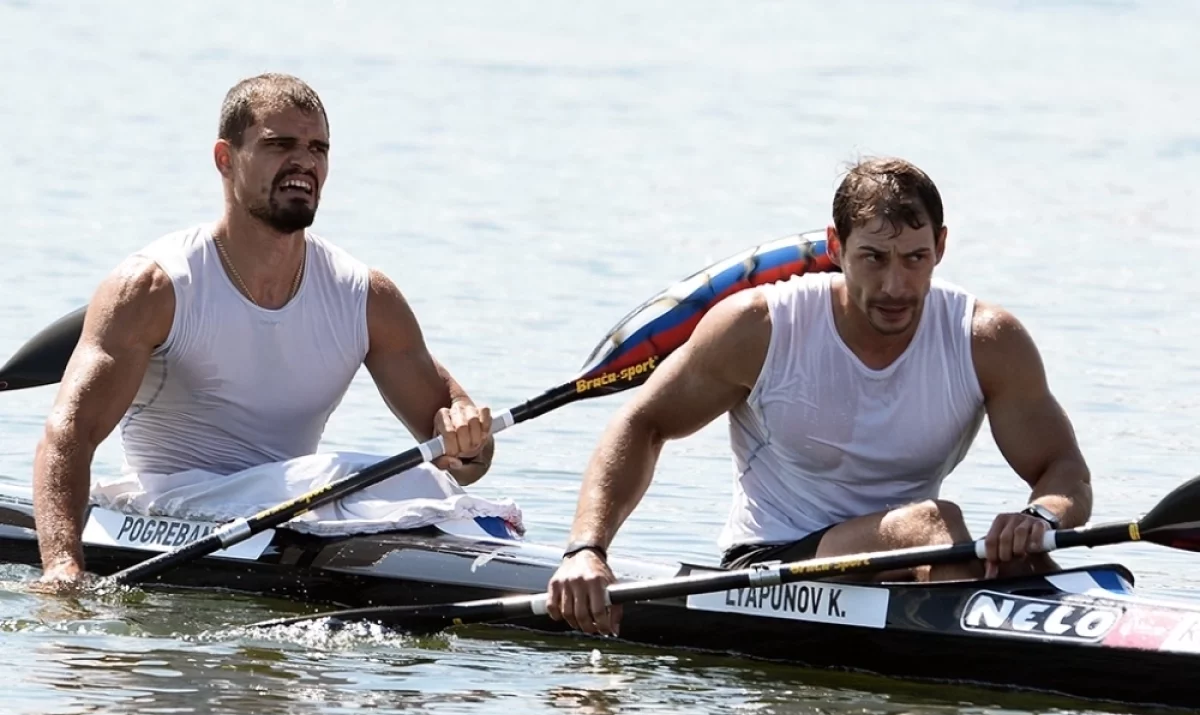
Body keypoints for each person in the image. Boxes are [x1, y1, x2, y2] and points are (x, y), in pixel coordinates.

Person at [546, 156, 1092, 636]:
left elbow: (1063, 469)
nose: (897, 286)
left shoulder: (986, 340)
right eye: (874, 258)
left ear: (941, 246)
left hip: (910, 560)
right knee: (935, 525)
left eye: (915, 258)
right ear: (836, 247)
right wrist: (587, 550)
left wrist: (1040, 518)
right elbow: (643, 423)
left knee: (1013, 555)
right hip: (770, 567)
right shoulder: (759, 326)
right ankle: (976, 667)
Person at [32, 73, 493, 590]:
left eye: (318, 148)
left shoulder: (367, 297)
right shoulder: (154, 287)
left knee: (420, 476)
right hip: (177, 506)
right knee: (365, 472)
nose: (305, 162)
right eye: (280, 145)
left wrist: (467, 443)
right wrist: (62, 565)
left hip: (301, 504)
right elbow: (69, 433)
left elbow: (464, 461)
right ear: (225, 159)